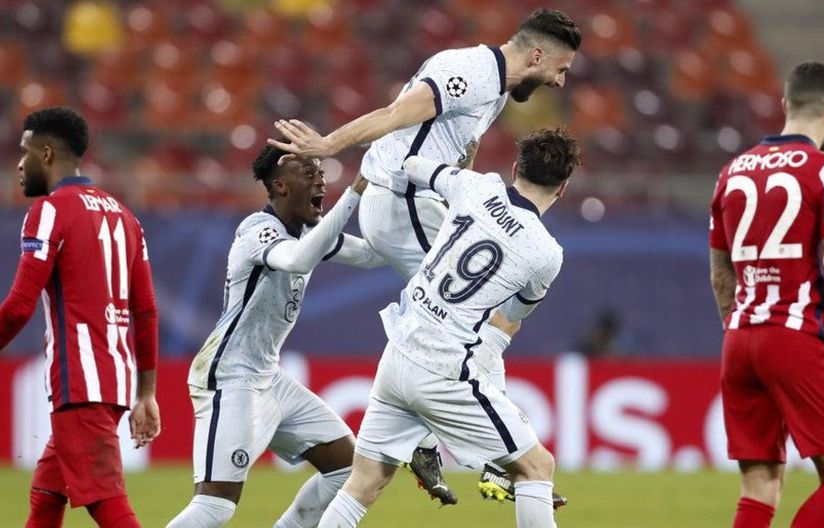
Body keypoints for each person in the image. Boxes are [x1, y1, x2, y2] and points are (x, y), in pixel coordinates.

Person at [269, 7, 581, 506]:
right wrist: (328, 145)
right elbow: (394, 114)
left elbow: (462, 150)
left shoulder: (496, 89)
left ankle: (431, 436)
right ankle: (483, 455)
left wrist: (464, 201)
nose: (560, 82)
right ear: (538, 55)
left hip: (409, 203)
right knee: (471, 316)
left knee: (457, 316)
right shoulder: (469, 72)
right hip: (401, 198)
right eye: (561, 69)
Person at [317, 128, 580, 528]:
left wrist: (453, 154)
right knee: (536, 467)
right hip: (443, 370)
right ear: (562, 188)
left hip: (398, 352)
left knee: (364, 483)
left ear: (515, 169)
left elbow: (412, 164)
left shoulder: (475, 186)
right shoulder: (547, 254)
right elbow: (509, 319)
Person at [166, 143, 385, 528]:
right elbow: (297, 259)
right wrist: (353, 193)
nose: (321, 181)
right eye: (309, 173)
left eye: (321, 173)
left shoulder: (310, 231)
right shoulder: (258, 230)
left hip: (268, 376)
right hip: (230, 375)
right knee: (215, 506)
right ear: (280, 185)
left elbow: (370, 255)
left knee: (347, 470)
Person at [709, 61, 824, 528]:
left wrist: (741, 323)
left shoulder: (731, 172)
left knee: (759, 487)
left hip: (739, 339)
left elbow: (721, 275)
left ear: (784, 105)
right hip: (793, 336)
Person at [0, 107, 160, 528]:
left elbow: (19, 306)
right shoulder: (125, 216)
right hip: (114, 383)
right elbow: (145, 310)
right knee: (46, 495)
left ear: (46, 154)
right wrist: (146, 393)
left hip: (80, 382)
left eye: (24, 152)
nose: (19, 164)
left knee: (107, 502)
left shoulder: (50, 211)